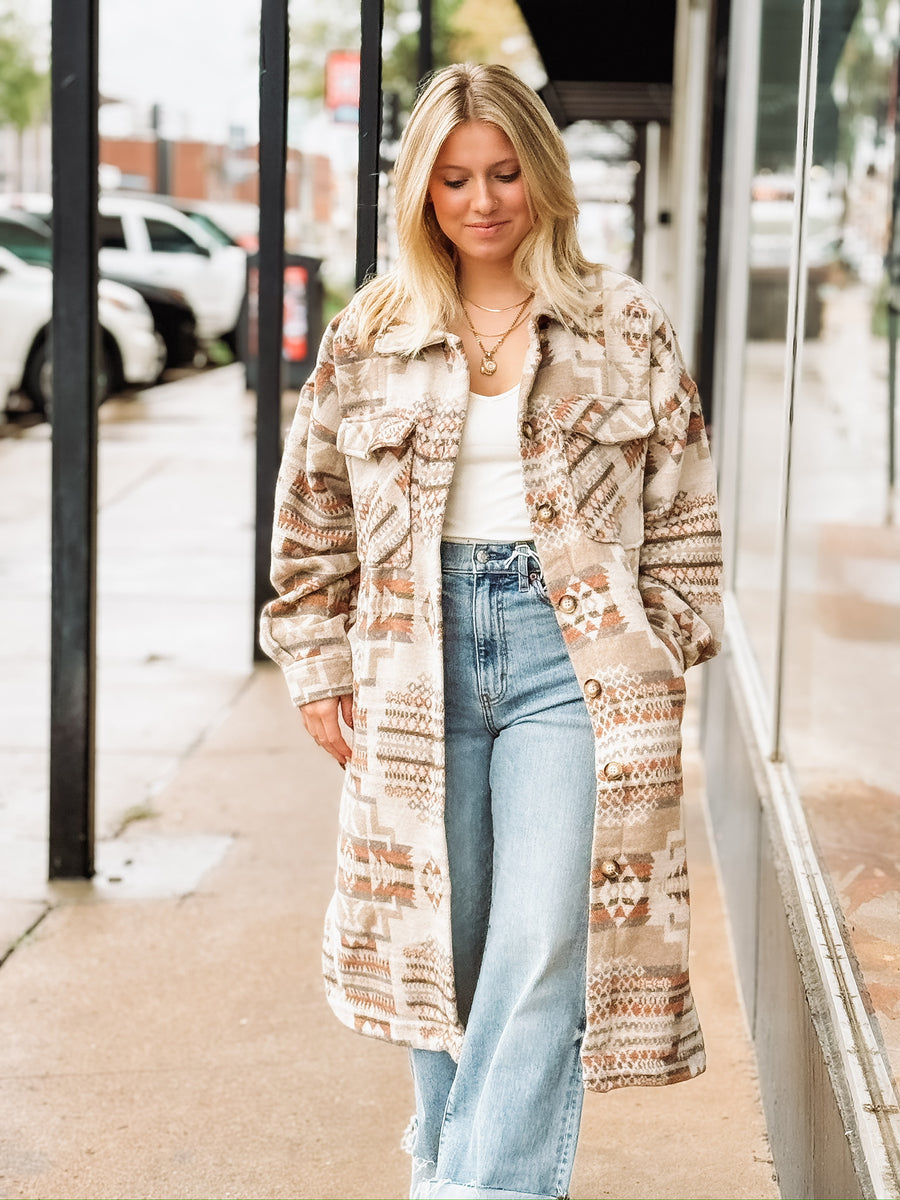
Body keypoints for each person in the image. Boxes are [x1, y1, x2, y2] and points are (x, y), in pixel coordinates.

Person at [259, 62, 723, 1200]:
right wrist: (319, 670)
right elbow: (312, 520)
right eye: (457, 178)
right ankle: (450, 1159)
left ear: (543, 176)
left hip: (573, 661)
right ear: (422, 190)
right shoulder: (370, 331)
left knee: (543, 940)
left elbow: (687, 517)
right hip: (416, 656)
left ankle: (473, 1189)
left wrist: (652, 648)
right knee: (443, 942)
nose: (483, 200)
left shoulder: (623, 322)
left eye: (506, 172)